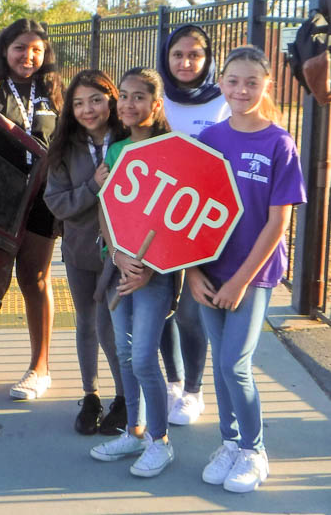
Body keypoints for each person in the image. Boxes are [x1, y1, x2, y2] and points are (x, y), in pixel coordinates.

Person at [187, 46, 306, 493]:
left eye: (252, 82)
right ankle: (230, 442)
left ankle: (254, 450)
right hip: (209, 271)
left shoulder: (279, 143)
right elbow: (191, 213)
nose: (241, 90)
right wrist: (193, 273)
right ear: (222, 84)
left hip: (252, 274)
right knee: (221, 365)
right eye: (234, 81)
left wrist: (239, 281)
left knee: (236, 363)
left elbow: (278, 222)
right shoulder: (211, 139)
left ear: (266, 86)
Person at [0, 18, 64, 399]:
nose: (28, 56)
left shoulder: (54, 90)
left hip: (43, 200)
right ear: (5, 49)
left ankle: (40, 367)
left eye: (37, 49)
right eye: (20, 47)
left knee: (34, 278)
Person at [90, 67, 177, 478]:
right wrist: (118, 256)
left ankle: (159, 441)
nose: (128, 104)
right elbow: (107, 210)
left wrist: (146, 269)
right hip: (121, 266)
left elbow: (179, 224)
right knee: (124, 354)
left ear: (155, 105)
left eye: (138, 97)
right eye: (123, 95)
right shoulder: (115, 150)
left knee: (144, 357)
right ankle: (134, 430)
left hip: (154, 275)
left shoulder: (174, 150)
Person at [44, 69, 127, 435]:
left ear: (111, 99)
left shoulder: (132, 139)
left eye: (96, 100)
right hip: (79, 250)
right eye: (78, 103)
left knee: (113, 327)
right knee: (86, 323)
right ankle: (90, 394)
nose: (88, 109)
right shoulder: (64, 148)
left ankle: (125, 398)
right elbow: (57, 203)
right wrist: (92, 187)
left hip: (122, 252)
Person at [157, 24, 231, 425]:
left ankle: (193, 391)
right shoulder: (157, 97)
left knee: (190, 312)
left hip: (207, 223)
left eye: (195, 55)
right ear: (166, 58)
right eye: (177, 55)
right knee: (164, 309)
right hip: (159, 220)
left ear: (207, 59)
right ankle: (173, 381)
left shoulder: (223, 100)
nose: (185, 63)